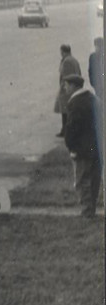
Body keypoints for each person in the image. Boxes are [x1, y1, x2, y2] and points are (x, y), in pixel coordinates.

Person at [62, 74, 102, 218]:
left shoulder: (75, 103)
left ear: (73, 86)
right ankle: (91, 209)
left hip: (82, 149)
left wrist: (71, 147)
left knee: (82, 180)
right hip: (96, 147)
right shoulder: (93, 99)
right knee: (94, 179)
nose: (64, 88)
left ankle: (86, 211)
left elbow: (72, 128)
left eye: (66, 85)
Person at [54, 44, 81, 137]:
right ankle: (65, 130)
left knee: (65, 110)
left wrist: (64, 89)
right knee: (67, 110)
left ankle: (65, 131)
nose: (61, 53)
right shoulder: (73, 60)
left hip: (67, 89)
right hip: (73, 88)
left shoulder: (67, 61)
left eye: (61, 51)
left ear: (64, 51)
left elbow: (66, 77)